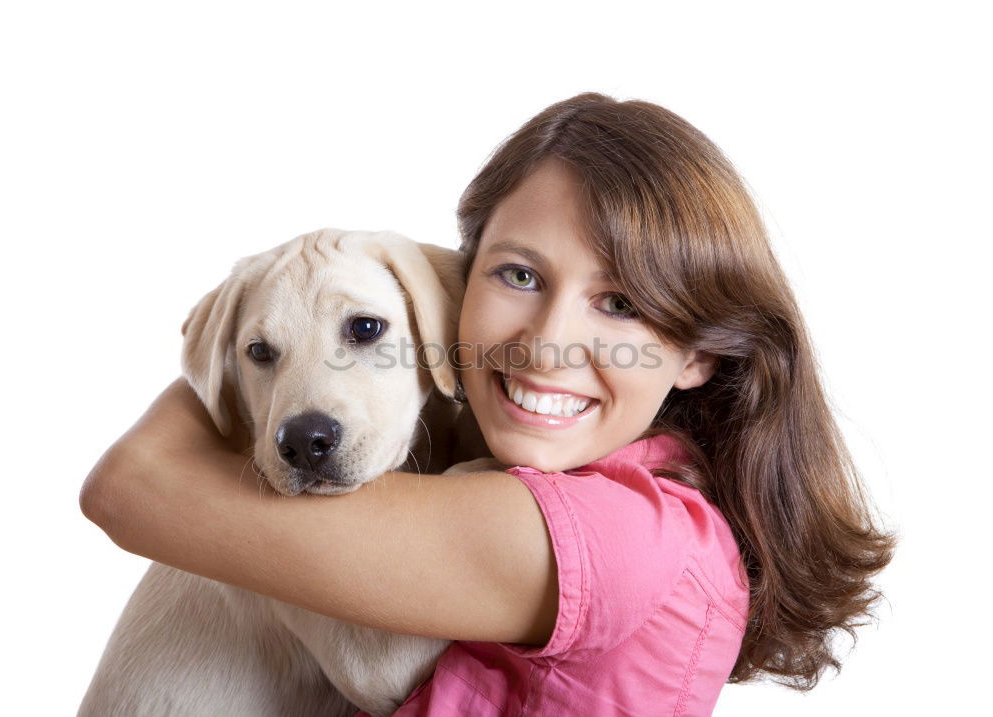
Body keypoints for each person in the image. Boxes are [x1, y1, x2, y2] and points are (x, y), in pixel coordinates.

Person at [80, 92, 896, 715]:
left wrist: (247, 336)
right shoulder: (631, 492)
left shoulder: (621, 533)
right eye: (519, 275)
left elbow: (130, 483)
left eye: (620, 303)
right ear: (461, 293)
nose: (545, 345)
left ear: (698, 353)